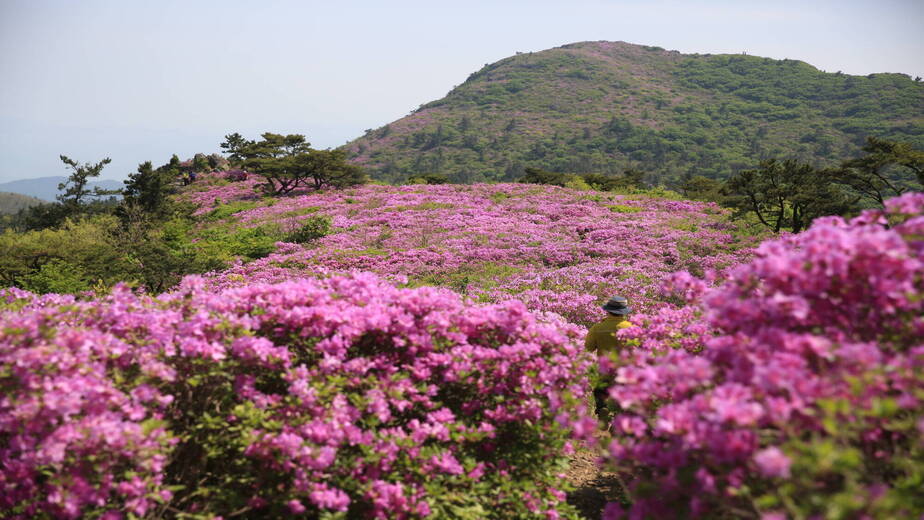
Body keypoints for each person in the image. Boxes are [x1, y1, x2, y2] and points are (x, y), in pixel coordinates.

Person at [585, 295, 634, 421]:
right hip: (624, 371)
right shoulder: (630, 328)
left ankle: (603, 410)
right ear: (624, 312)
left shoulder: (597, 328)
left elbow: (588, 348)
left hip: (604, 370)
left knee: (600, 393)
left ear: (608, 311)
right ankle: (619, 419)